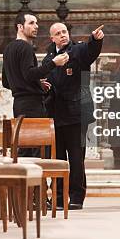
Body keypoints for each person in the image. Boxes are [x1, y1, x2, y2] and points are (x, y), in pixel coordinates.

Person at [42, 23, 105, 210]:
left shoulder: (77, 50)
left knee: (76, 158)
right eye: (58, 34)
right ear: (51, 38)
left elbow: (91, 51)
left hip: (76, 114)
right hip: (56, 115)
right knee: (58, 159)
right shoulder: (49, 57)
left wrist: (95, 40)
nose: (62, 35)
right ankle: (59, 198)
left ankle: (77, 197)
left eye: (64, 32)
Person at [2, 13, 69, 154]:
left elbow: (6, 82)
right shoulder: (25, 47)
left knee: (25, 148)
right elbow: (29, 73)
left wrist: (37, 84)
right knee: (38, 150)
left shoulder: (8, 49)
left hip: (19, 105)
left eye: (36, 23)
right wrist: (53, 63)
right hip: (32, 106)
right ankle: (36, 177)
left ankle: (24, 176)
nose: (36, 26)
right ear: (20, 27)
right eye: (31, 23)